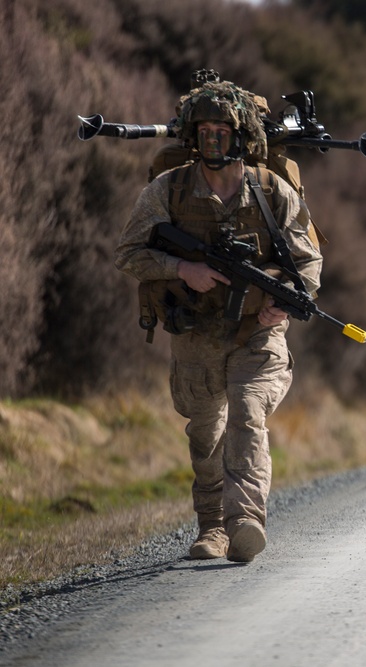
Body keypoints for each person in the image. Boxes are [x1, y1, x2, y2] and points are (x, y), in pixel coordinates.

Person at [114, 80, 324, 563]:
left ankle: (245, 520)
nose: (212, 141)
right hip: (195, 332)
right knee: (206, 433)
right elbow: (128, 253)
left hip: (259, 332)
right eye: (204, 131)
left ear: (242, 137)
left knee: (248, 415)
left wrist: (288, 302)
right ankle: (212, 529)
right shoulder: (167, 189)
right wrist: (181, 268)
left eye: (222, 132)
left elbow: (307, 261)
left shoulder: (272, 191)